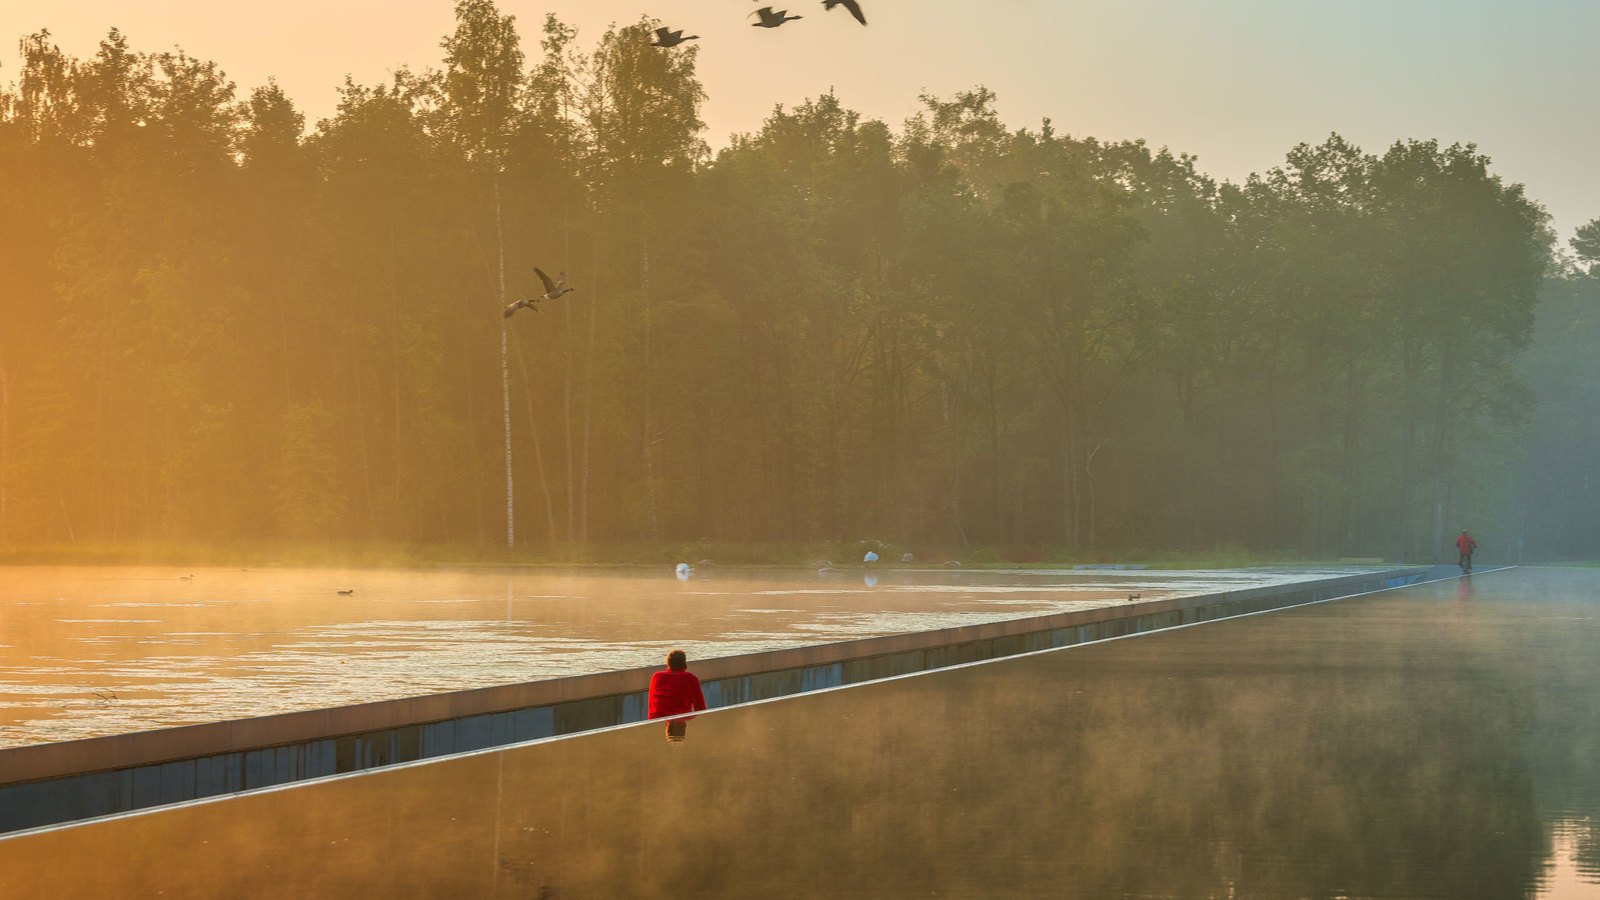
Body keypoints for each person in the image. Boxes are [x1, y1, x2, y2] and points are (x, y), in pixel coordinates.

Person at [648, 649, 707, 720]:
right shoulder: (690, 678)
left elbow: (651, 705)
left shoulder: (656, 676)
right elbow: (701, 709)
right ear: (685, 665)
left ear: (667, 665)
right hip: (678, 723)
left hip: (655, 721)